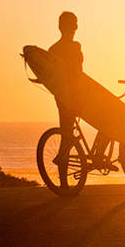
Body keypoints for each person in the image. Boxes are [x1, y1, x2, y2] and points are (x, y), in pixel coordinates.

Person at [48, 11, 84, 188]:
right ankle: (63, 182)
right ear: (69, 27)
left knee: (67, 135)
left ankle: (63, 182)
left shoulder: (52, 50)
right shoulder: (75, 47)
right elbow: (78, 75)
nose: (77, 27)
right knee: (67, 136)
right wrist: (77, 98)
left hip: (61, 98)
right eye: (75, 24)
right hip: (74, 96)